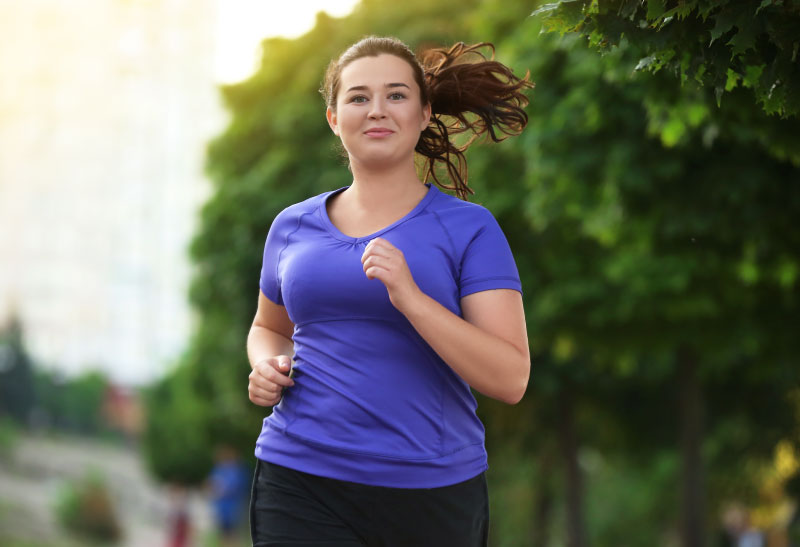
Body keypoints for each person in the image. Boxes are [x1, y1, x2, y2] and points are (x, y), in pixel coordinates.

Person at [246, 35, 533, 546]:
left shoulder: (470, 229)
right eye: (358, 97)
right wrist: (267, 363)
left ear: (424, 114)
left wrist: (413, 299)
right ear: (334, 118)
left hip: (429, 491)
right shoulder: (291, 226)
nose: (377, 110)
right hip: (299, 474)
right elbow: (269, 327)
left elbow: (510, 378)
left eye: (396, 95)